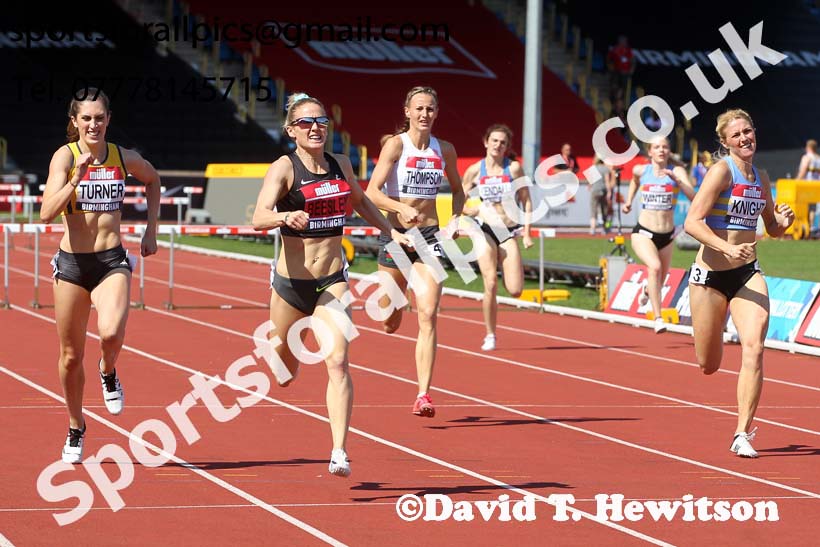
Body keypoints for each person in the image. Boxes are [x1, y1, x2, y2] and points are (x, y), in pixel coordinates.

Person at [252, 92, 410, 477]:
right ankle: (274, 344)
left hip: (332, 282)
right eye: (306, 122)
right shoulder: (284, 168)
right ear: (292, 130)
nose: (315, 128)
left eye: (321, 121)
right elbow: (258, 216)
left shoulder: (340, 164)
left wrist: (390, 230)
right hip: (290, 286)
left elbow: (361, 202)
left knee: (337, 362)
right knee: (285, 375)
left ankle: (339, 451)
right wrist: (284, 218)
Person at [40, 89, 160, 464]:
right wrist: (75, 181)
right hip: (73, 265)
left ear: (109, 119)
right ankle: (76, 426)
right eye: (86, 118)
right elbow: (46, 213)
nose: (93, 124)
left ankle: (108, 370)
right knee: (71, 356)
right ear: (74, 122)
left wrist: (150, 230)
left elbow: (154, 180)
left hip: (111, 261)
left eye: (100, 117)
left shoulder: (122, 157)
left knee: (110, 333)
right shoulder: (66, 156)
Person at [684, 109, 794, 458]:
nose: (745, 138)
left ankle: (742, 432)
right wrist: (725, 247)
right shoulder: (720, 172)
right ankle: (715, 333)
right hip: (710, 277)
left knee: (755, 346)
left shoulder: (761, 177)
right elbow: (692, 222)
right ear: (725, 142)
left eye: (748, 131)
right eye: (737, 135)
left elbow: (770, 227)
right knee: (708, 364)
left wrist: (781, 222)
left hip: (747, 273)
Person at [365, 86, 465, 417]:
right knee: (389, 320)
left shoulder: (445, 149)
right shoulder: (396, 145)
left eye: (431, 109)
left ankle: (423, 394)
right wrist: (398, 208)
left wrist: (455, 219)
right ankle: (398, 298)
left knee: (429, 313)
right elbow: (372, 192)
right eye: (419, 108)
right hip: (396, 235)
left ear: (437, 113)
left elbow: (459, 191)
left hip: (429, 237)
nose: (425, 114)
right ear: (407, 111)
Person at [460, 124, 533, 351]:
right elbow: (459, 202)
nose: (498, 145)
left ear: (507, 147)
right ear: (486, 142)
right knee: (490, 282)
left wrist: (528, 232)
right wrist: (472, 211)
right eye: (494, 141)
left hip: (508, 231)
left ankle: (506, 265)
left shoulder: (513, 169)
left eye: (502, 142)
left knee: (515, 290)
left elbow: (527, 200)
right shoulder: (474, 170)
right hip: (484, 229)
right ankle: (490, 334)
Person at [622, 136, 696, 333]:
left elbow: (693, 197)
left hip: (667, 235)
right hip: (643, 232)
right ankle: (658, 317)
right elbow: (634, 181)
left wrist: (677, 180)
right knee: (654, 268)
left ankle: (647, 290)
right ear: (650, 152)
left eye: (665, 147)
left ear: (669, 151)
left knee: (660, 278)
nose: (661, 150)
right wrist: (629, 201)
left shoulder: (677, 171)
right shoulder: (642, 170)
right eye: (657, 147)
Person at [796, 139, 820, 230]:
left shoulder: (807, 157)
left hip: (806, 185)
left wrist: (796, 181)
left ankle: (803, 227)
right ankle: (811, 227)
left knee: (803, 206)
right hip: (816, 185)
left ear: (808, 147)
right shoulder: (818, 158)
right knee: (812, 207)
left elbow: (803, 170)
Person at [587, 156, 615, 235]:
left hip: (594, 191)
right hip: (603, 191)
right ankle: (604, 229)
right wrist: (609, 192)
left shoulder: (593, 168)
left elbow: (590, 182)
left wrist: (590, 186)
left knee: (593, 210)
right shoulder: (605, 169)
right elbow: (607, 181)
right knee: (604, 210)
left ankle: (592, 229)